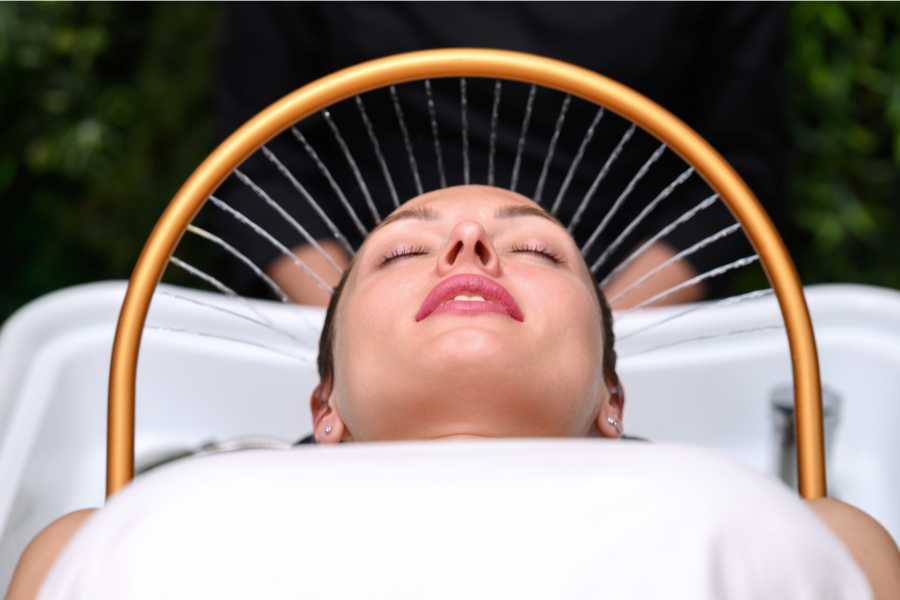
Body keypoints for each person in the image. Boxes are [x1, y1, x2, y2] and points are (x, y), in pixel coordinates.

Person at [7, 185, 900, 600]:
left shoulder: (831, 537)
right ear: (325, 410)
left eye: (539, 250)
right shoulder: (83, 542)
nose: (469, 242)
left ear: (613, 403)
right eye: (401, 251)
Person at [213, 3, 791, 308]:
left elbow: (738, 175)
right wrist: (353, 331)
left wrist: (596, 339)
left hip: (615, 308)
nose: (471, 246)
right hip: (347, 293)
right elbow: (255, 157)